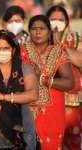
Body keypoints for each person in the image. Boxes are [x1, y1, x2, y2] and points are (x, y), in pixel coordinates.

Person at [20, 15, 75, 149]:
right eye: (34, 29)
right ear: (29, 31)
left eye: (42, 29)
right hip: (27, 110)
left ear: (49, 32)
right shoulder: (21, 51)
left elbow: (69, 82)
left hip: (53, 112)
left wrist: (43, 79)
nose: (38, 32)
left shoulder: (58, 52)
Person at [46, 5, 82, 150]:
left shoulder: (76, 39)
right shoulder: (39, 39)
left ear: (67, 21)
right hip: (47, 99)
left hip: (71, 100)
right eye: (53, 19)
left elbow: (80, 60)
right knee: (50, 140)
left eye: (60, 19)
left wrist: (59, 45)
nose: (56, 22)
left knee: (72, 139)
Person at [2, 5, 38, 150]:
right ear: (5, 23)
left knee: (28, 136)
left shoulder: (31, 40)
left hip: (28, 93)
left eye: (18, 20)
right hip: (5, 92)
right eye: (11, 21)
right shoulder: (0, 40)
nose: (15, 24)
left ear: (24, 21)